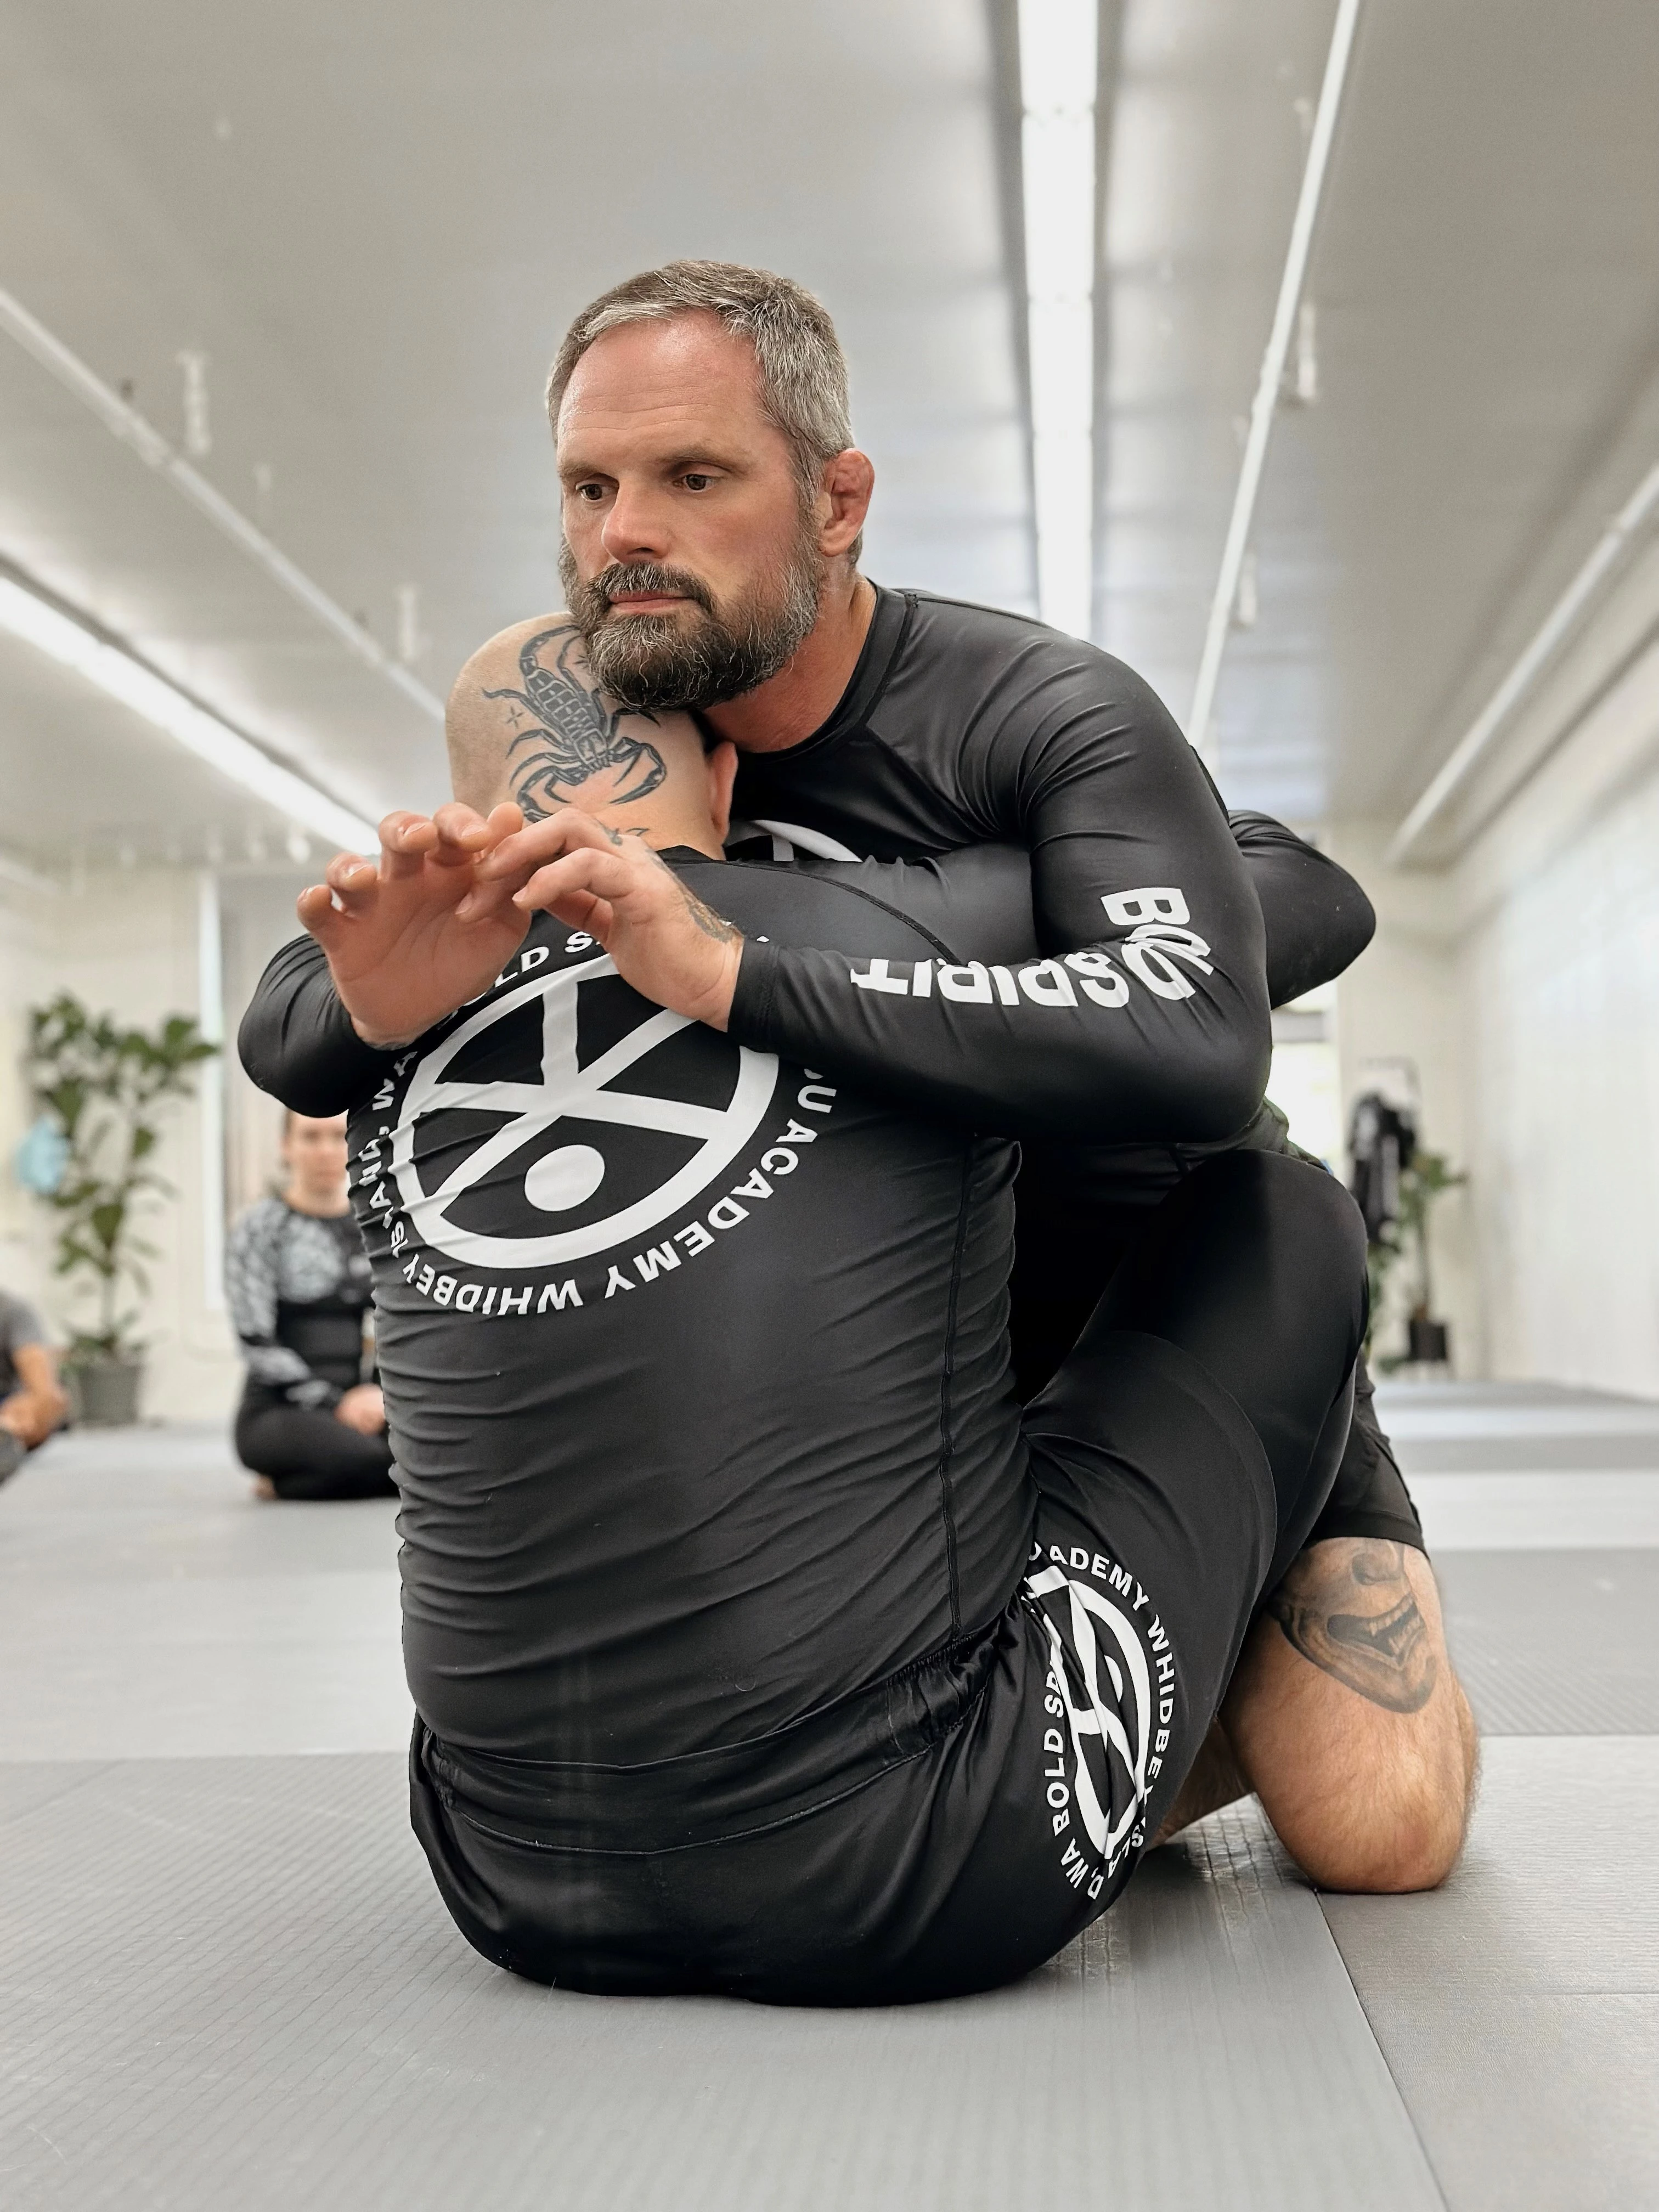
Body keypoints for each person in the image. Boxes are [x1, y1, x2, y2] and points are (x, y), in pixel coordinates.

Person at [437, 258, 1475, 1890]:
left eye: (692, 478)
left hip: (1174, 1287)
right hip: (911, 1370)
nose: (625, 532)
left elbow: (1300, 901)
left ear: (836, 502)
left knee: (1378, 1836)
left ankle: (1204, 1608)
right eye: (591, 486)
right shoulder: (612, 727)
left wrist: (849, 950)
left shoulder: (1020, 707)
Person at [241, 715, 1368, 2004]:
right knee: (1285, 1213)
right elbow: (1309, 900)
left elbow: (276, 1018)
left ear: (464, 799)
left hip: (506, 1879)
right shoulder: (918, 915)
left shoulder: (371, 984)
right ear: (732, 777)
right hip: (924, 1871)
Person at [225, 1110, 395, 1502]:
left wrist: (380, 1399)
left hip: (368, 1404)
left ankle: (293, 1482)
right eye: (310, 1137)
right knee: (375, 1460)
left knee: (440, 1452)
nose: (326, 1151)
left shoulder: (378, 1226)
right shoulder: (262, 1228)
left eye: (337, 1137)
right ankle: (327, 1468)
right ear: (287, 1147)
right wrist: (337, 1403)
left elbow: (402, 1325)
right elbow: (255, 1341)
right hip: (280, 1410)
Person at [0, 1289, 68, 1486]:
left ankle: (7, 1440)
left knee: (54, 1401)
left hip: (8, 1410)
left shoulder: (11, 1311)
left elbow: (43, 1389)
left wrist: (33, 1408)